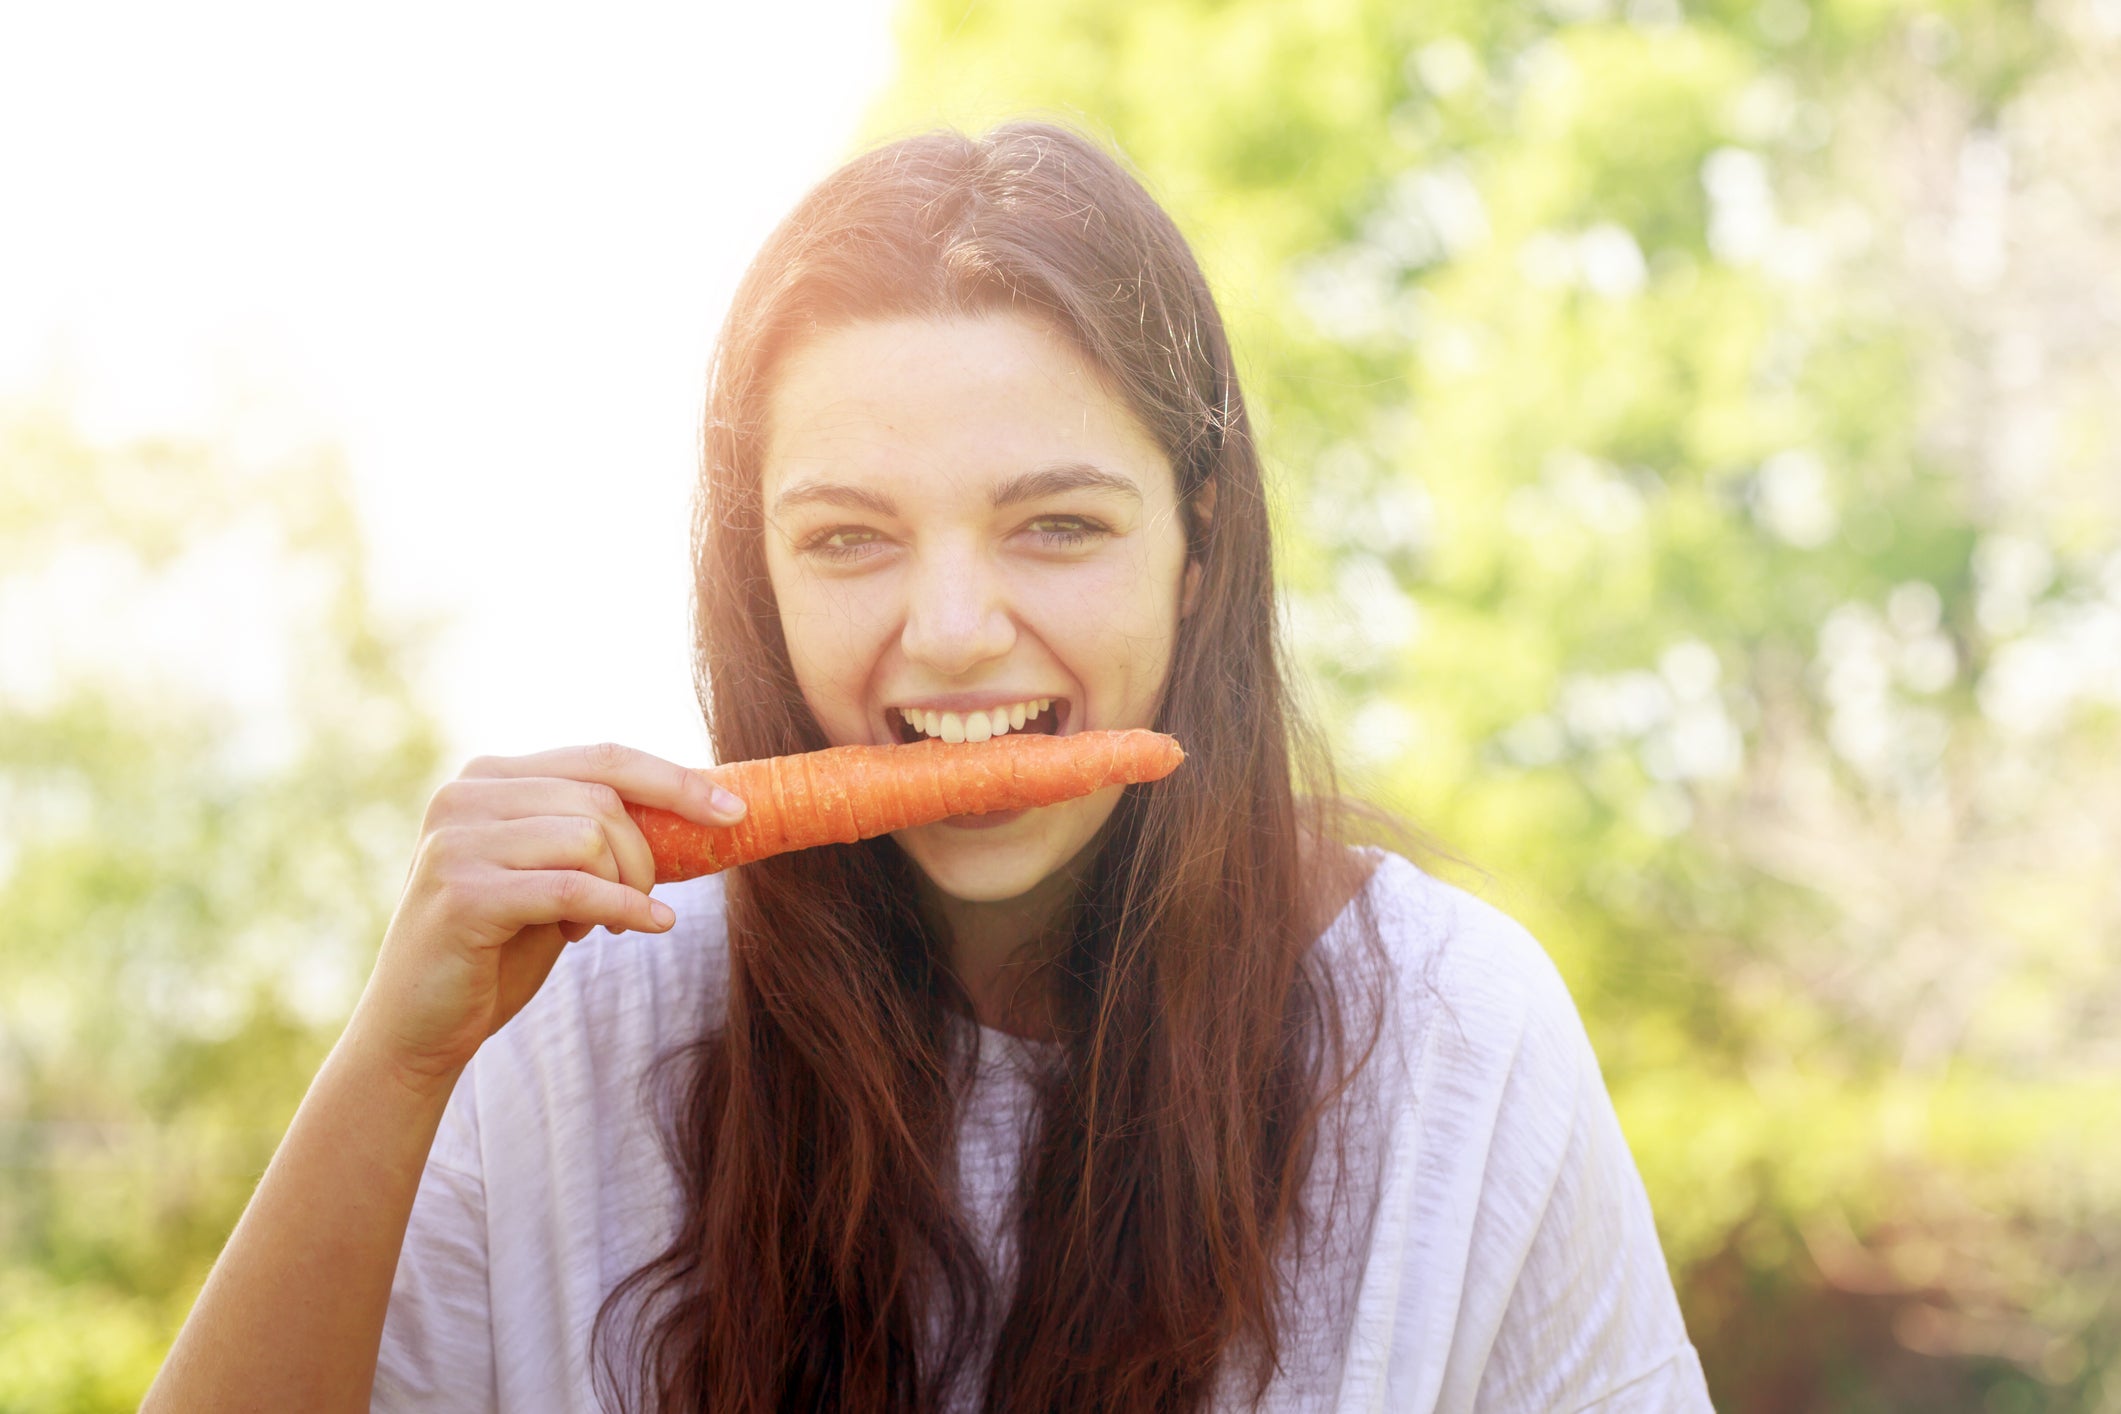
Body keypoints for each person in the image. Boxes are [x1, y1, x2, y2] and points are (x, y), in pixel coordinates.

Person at [145, 122, 1714, 1413]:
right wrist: (395, 1063)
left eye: (1057, 524)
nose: (952, 631)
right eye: (847, 540)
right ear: (751, 575)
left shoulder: (1453, 1035)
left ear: (1199, 543)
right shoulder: (565, 1018)